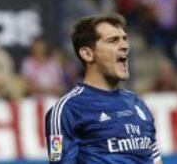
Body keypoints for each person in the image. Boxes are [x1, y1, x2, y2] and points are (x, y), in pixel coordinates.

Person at [45, 13, 162, 164]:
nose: (125, 46)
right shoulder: (66, 111)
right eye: (113, 40)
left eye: (125, 39)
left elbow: (155, 160)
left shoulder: (137, 103)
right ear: (87, 54)